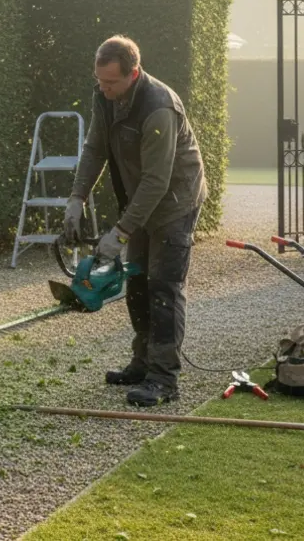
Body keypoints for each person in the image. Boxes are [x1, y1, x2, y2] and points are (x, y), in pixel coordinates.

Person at [60, 35, 208, 407]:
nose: (104, 89)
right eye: (99, 81)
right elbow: (95, 148)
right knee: (138, 281)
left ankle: (164, 379)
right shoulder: (104, 97)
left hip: (175, 201)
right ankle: (142, 363)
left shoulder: (159, 106)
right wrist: (76, 199)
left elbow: (157, 180)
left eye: (111, 82)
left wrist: (122, 231)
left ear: (134, 73)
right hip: (142, 199)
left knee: (163, 286)